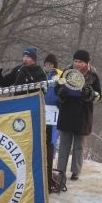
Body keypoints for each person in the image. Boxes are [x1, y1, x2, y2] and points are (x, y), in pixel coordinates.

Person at [55, 49, 101, 181]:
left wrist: (89, 94)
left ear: (86, 63)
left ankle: (76, 171)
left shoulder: (93, 75)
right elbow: (57, 88)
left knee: (79, 145)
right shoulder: (67, 72)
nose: (76, 64)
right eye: (75, 61)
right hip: (67, 112)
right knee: (64, 144)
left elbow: (99, 95)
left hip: (83, 114)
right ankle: (60, 170)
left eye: (80, 62)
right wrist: (61, 93)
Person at [43, 54, 62, 190]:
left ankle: (50, 160)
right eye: (47, 63)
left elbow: (62, 91)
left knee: (52, 138)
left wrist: (60, 102)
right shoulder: (42, 74)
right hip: (43, 107)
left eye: (51, 63)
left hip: (54, 110)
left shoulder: (59, 75)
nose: (48, 66)